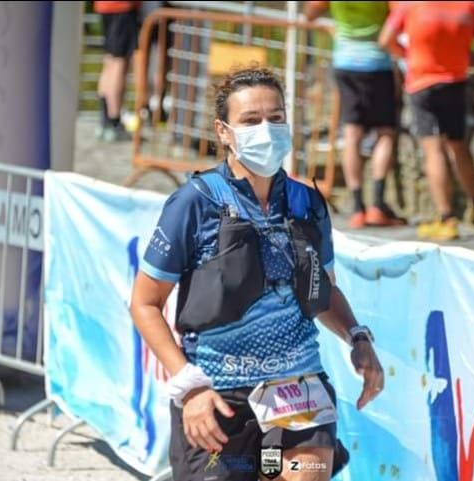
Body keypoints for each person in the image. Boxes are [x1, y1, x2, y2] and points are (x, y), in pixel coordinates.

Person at [129, 67, 384, 481]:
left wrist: (357, 336)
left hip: (297, 391)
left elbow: (324, 291)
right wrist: (189, 386)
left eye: (275, 118)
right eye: (250, 121)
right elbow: (145, 303)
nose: (266, 130)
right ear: (224, 132)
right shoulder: (194, 203)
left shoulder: (307, 203)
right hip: (218, 395)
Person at [380, 1, 474, 241]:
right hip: (456, 82)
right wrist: (471, 61)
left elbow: (385, 40)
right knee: (459, 146)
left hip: (422, 83)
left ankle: (446, 218)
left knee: (433, 150)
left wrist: (408, 55)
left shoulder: (410, 5)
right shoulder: (470, 7)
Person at [305, 1, 406, 229]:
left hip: (346, 62)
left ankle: (358, 208)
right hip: (378, 63)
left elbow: (311, 13)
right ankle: (377, 205)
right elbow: (402, 14)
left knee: (352, 134)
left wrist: (331, 24)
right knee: (385, 133)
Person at [94, 0, 141, 142]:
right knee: (119, 63)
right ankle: (114, 121)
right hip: (122, 8)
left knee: (110, 61)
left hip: (105, 7)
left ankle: (105, 121)